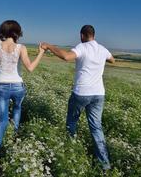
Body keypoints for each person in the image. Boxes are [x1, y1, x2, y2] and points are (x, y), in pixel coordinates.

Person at [41, 25, 115, 171]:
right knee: (96, 127)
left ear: (82, 35)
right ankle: (105, 164)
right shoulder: (102, 49)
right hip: (99, 94)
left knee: (72, 122)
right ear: (93, 35)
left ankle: (71, 150)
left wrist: (49, 46)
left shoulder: (82, 47)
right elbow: (112, 60)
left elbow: (66, 56)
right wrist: (98, 61)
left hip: (81, 92)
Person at [0, 20, 45, 155]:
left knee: (2, 120)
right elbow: (30, 68)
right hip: (18, 86)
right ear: (17, 32)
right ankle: (13, 138)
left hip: (1, 86)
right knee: (17, 110)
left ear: (3, 31)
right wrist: (40, 53)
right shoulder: (21, 47)